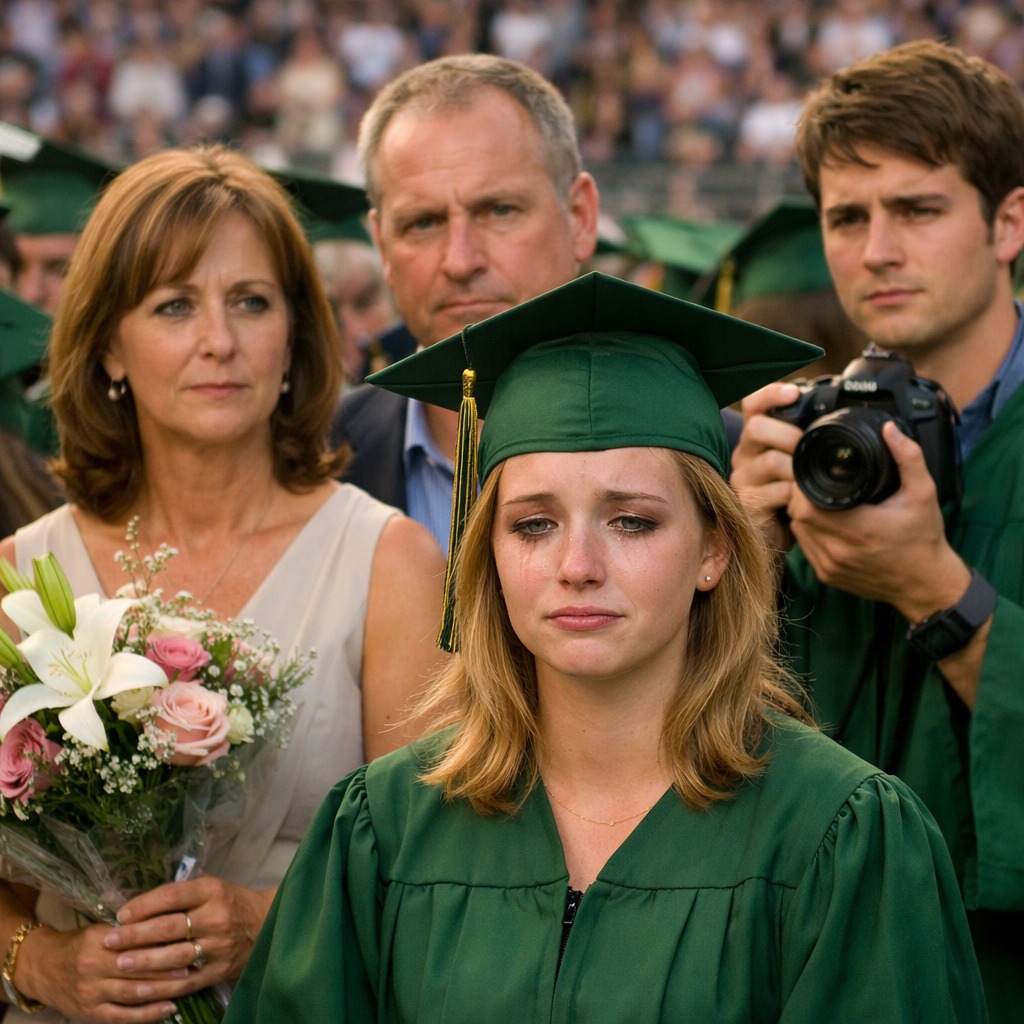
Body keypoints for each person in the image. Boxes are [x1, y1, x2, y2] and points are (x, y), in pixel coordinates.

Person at [226, 272, 987, 1023]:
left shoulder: (843, 837)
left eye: (632, 521)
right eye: (533, 524)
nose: (577, 566)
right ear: (485, 549)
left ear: (714, 549)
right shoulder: (381, 831)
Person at [0, 144, 446, 1023]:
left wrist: (271, 925)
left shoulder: (388, 563)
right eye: (175, 305)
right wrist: (42, 963)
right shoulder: (21, 577)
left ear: (294, 338)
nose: (221, 341)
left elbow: (439, 875)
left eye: (252, 301)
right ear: (110, 350)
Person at [729, 40, 1024, 1020]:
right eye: (846, 217)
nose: (877, 250)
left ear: (1008, 222)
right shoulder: (803, 444)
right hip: (810, 967)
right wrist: (738, 561)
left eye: (918, 209)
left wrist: (936, 593)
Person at [330, 53, 601, 552]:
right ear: (383, 246)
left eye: (499, 210)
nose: (460, 260)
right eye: (423, 223)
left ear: (581, 217)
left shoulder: (729, 471)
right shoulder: (312, 463)